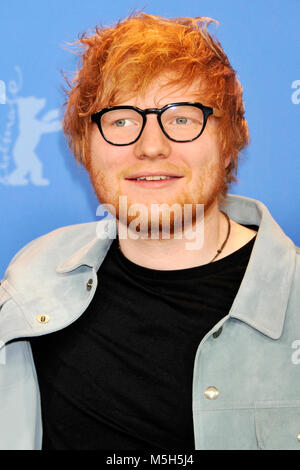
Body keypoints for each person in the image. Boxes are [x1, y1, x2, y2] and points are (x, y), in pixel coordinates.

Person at [0, 12, 299, 451]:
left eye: (182, 117)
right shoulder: (32, 276)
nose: (151, 146)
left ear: (233, 136)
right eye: (121, 119)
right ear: (84, 145)